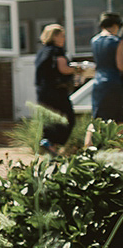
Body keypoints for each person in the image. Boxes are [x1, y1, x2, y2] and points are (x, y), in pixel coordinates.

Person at [35, 24, 83, 153]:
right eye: (62, 35)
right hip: (56, 91)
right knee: (68, 119)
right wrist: (79, 69)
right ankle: (52, 144)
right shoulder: (57, 51)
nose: (64, 38)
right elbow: (63, 68)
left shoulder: (42, 52)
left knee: (50, 120)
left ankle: (49, 145)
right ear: (55, 36)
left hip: (43, 91)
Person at [91, 12, 123, 122]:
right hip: (114, 82)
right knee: (117, 121)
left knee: (97, 120)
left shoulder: (94, 41)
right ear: (116, 25)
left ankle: (88, 140)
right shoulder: (117, 41)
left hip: (98, 82)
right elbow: (120, 65)